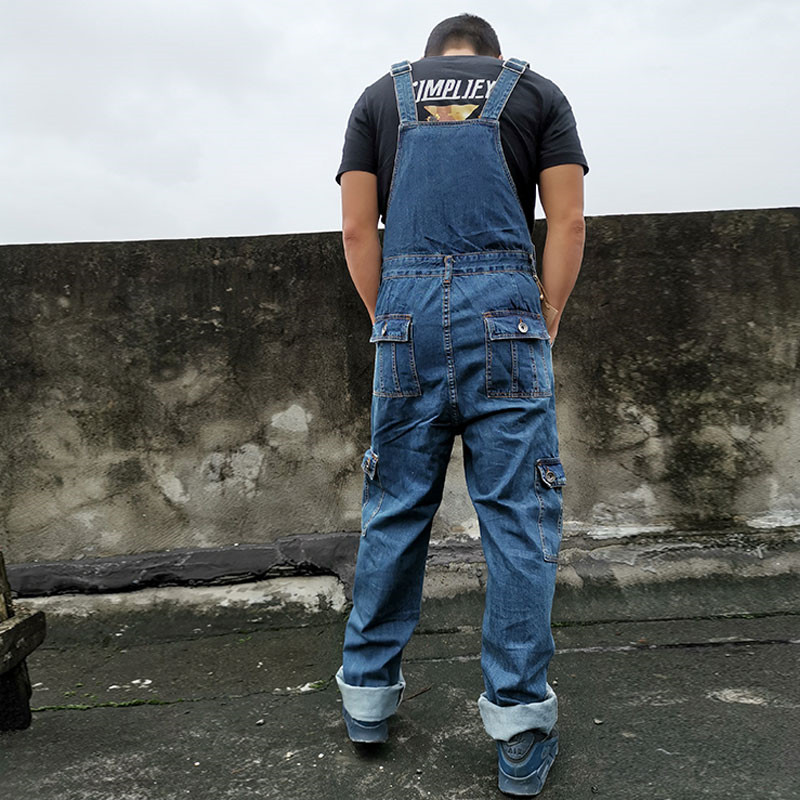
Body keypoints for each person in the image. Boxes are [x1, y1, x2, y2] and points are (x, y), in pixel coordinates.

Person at [334, 13, 588, 797]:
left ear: (430, 57)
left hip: (405, 320)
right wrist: (545, 317)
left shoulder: (379, 99)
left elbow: (357, 232)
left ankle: (368, 701)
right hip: (506, 317)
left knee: (395, 508)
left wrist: (390, 319)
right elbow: (568, 220)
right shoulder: (536, 94)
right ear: (492, 57)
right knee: (517, 518)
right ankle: (519, 731)